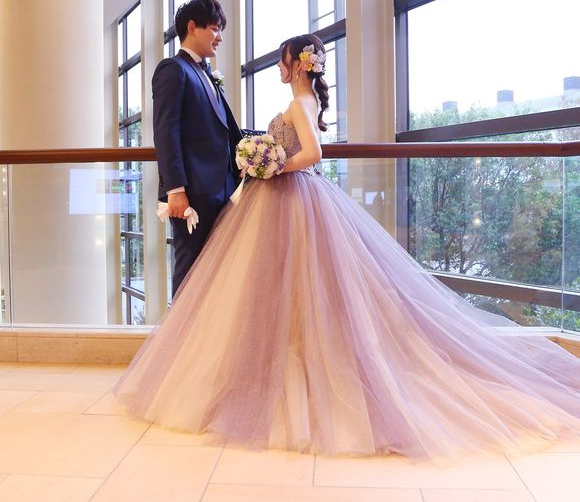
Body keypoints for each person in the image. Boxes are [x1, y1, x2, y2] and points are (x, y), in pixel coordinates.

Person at [115, 34, 580, 463]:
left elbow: (313, 153)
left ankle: (290, 376)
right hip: (288, 198)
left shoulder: (300, 101)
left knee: (294, 289)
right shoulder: (305, 100)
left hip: (290, 194)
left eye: (282, 60)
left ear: (297, 64)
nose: (278, 66)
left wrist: (273, 166)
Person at [153, 0, 242, 297]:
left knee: (218, 272)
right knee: (190, 270)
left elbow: (226, 130)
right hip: (193, 194)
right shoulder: (173, 69)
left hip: (224, 189)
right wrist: (175, 190)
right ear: (192, 27)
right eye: (215, 29)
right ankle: (180, 329)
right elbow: (166, 131)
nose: (220, 37)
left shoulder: (205, 73)